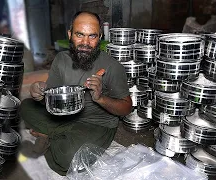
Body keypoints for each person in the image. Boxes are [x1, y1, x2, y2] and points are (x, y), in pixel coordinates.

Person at [20, 11, 132, 176]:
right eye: (80, 35)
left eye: (92, 36)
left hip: (95, 124)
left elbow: (126, 108)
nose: (85, 43)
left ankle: (49, 137)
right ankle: (55, 135)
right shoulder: (61, 59)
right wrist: (38, 92)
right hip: (62, 116)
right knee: (25, 106)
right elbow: (51, 99)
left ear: (99, 37)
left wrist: (100, 98)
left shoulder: (112, 66)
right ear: (70, 34)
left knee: (69, 160)